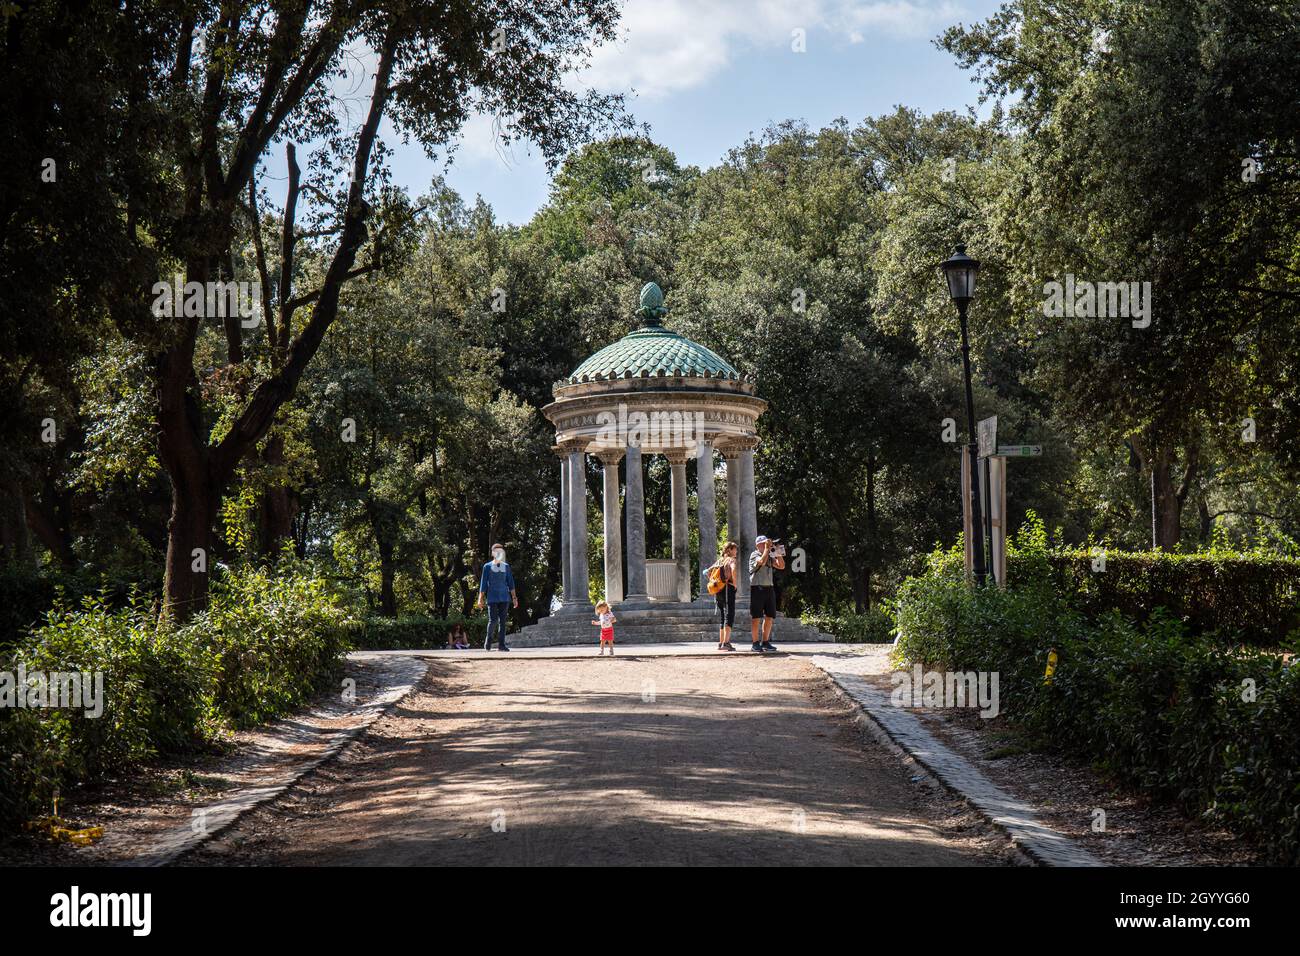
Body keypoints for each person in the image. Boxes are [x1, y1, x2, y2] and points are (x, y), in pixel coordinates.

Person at [475, 543, 518, 651]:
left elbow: (511, 583)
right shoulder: (487, 566)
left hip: (504, 598)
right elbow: (483, 583)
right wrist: (480, 598)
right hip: (492, 598)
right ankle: (488, 640)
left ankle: (501, 645)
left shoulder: (506, 567)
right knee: (493, 621)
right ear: (493, 553)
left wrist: (514, 598)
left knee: (503, 622)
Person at [748, 534, 785, 653]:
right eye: (764, 543)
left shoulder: (769, 555)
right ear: (758, 545)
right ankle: (755, 643)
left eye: (767, 543)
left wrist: (778, 552)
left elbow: (781, 566)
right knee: (756, 617)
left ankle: (765, 642)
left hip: (769, 588)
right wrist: (767, 550)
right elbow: (761, 562)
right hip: (757, 588)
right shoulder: (754, 555)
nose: (766, 545)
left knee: (769, 616)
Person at [708, 541, 739, 651]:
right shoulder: (731, 560)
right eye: (734, 549)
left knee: (722, 615)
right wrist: (735, 583)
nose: (736, 551)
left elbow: (709, 572)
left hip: (718, 589)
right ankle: (726, 643)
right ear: (729, 550)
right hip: (728, 588)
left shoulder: (719, 560)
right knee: (729, 614)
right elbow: (734, 569)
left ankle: (721, 643)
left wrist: (716, 583)